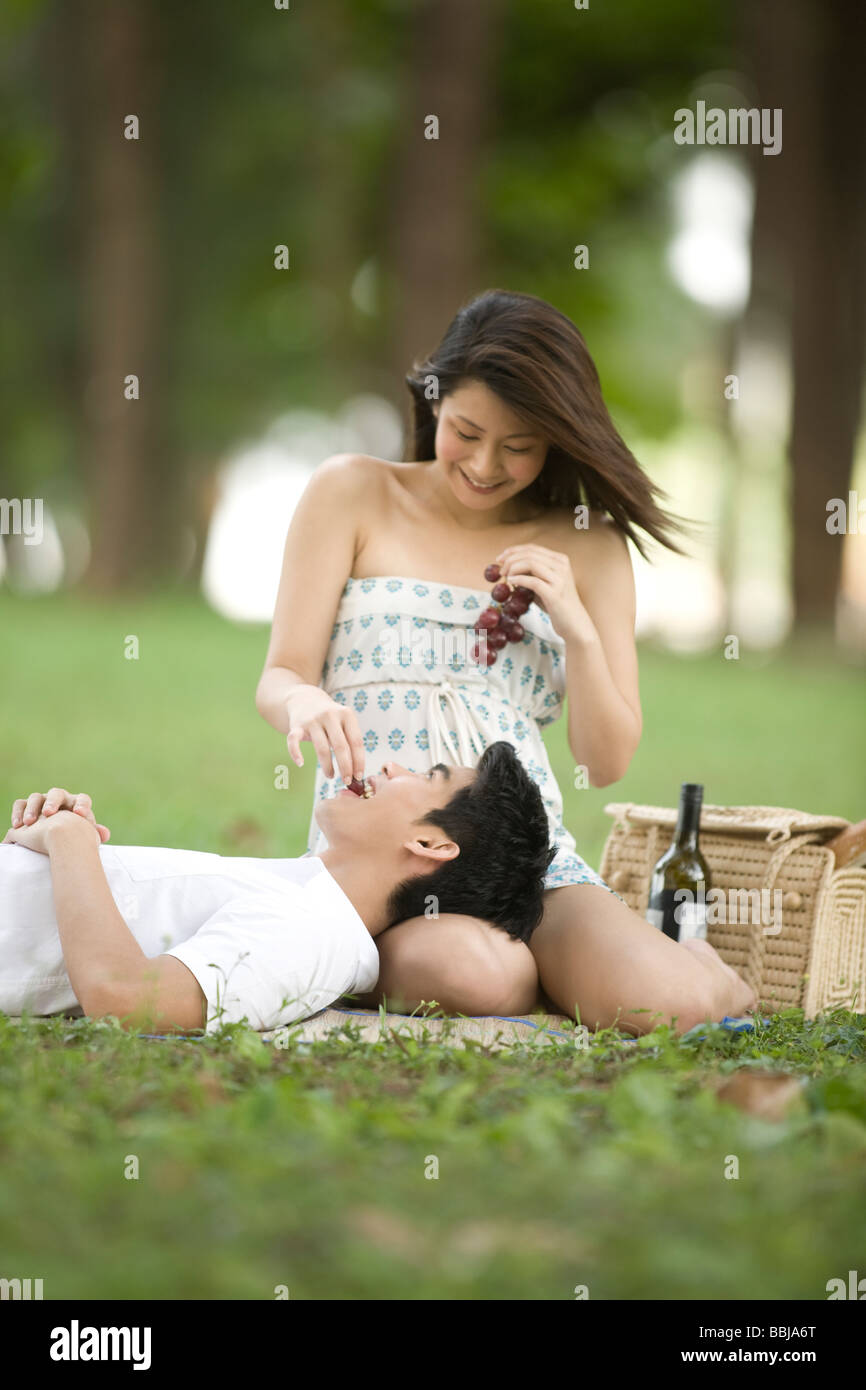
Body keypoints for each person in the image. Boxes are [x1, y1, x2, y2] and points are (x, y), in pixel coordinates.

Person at [256, 288, 757, 1034]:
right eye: (466, 431)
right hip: (384, 865)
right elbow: (281, 674)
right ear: (433, 402)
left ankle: (692, 970)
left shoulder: (588, 543)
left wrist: (575, 626)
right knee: (478, 971)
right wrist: (303, 703)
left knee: (672, 1006)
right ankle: (531, 972)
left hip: (530, 862)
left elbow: (607, 757)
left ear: (556, 439)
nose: (486, 465)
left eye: (519, 446)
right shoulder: (352, 493)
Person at [0, 742, 553, 1034]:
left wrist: (71, 841)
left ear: (432, 845)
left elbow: (124, 998)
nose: (390, 766)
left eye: (427, 776)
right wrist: (52, 842)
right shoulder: (303, 891)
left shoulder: (314, 934)